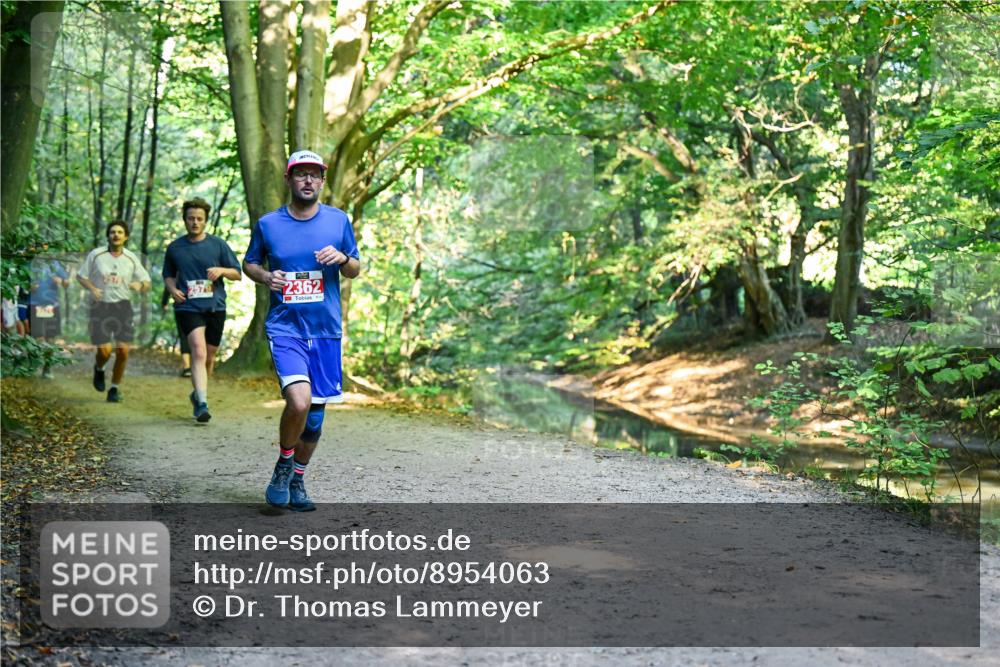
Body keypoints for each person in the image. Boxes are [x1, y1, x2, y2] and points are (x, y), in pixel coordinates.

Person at [243, 149, 360, 511]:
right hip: (286, 328)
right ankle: (283, 464)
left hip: (325, 331)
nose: (308, 180)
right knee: (298, 401)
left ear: (322, 181)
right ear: (289, 179)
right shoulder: (269, 224)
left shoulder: (338, 221)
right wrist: (267, 277)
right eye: (300, 174)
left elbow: (355, 268)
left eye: (314, 175)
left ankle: (297, 478)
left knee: (315, 421)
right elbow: (249, 263)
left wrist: (343, 258)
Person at [163, 197, 241, 422]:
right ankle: (202, 403)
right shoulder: (175, 247)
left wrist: (222, 270)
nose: (195, 222)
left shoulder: (217, 245)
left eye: (199, 219)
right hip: (188, 306)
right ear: (184, 220)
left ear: (205, 220)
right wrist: (173, 290)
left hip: (215, 306)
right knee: (198, 351)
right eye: (191, 218)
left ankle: (198, 393)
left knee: (209, 355)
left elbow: (237, 273)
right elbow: (168, 275)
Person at [77, 220, 151, 402]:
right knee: (104, 352)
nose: (116, 235)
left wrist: (139, 285)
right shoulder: (96, 255)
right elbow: (81, 276)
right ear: (108, 236)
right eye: (112, 232)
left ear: (126, 237)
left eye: (119, 232)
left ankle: (114, 388)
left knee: (123, 351)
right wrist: (92, 288)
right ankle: (99, 368)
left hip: (122, 307)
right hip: (100, 307)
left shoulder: (131, 258)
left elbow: (146, 281)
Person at [30, 257, 69, 377]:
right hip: (35, 304)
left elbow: (67, 283)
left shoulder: (55, 263)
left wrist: (61, 281)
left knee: (50, 337)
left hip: (52, 305)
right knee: (37, 337)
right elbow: (21, 284)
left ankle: (47, 367)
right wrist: (30, 287)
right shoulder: (31, 263)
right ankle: (34, 364)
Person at [161, 286, 192, 376]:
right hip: (194, 306)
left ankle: (187, 367)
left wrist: (164, 302)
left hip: (182, 306)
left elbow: (169, 285)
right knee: (191, 335)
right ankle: (190, 367)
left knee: (184, 335)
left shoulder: (178, 276)